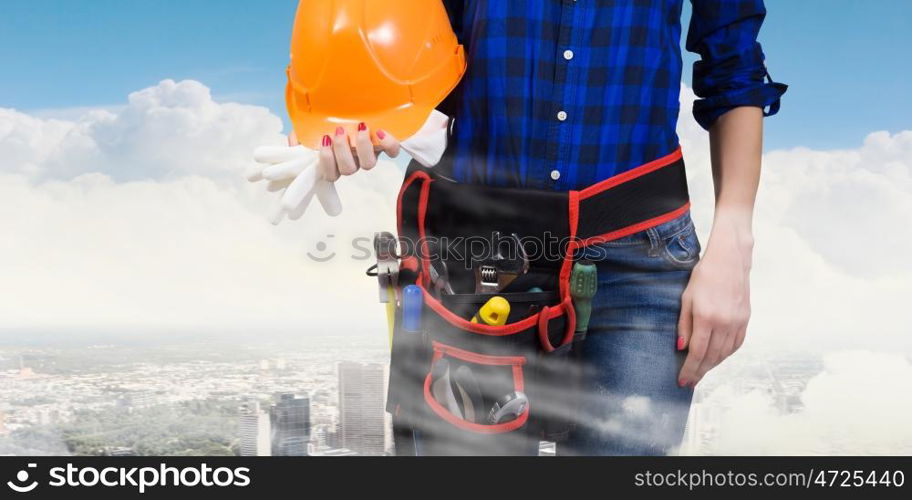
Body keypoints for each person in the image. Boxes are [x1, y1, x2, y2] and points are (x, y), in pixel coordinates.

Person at [304, 0, 786, 455]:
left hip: (639, 256)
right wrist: (349, 116)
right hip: (473, 252)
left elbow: (734, 67)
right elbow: (406, 40)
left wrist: (734, 243)